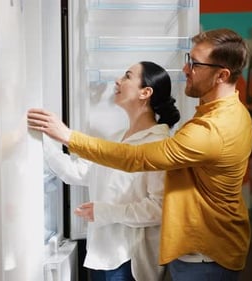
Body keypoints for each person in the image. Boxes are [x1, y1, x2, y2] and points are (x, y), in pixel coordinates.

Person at [28, 28, 252, 281]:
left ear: (221, 75)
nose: (186, 69)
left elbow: (136, 160)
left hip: (205, 254)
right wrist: (40, 139)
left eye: (195, 64)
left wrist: (68, 137)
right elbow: (87, 170)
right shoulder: (223, 113)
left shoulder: (212, 129)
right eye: (188, 60)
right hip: (196, 251)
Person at [44, 61, 180, 281]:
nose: (118, 80)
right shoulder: (118, 138)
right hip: (99, 254)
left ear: (145, 92)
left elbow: (159, 209)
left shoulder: (159, 144)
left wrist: (104, 211)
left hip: (129, 261)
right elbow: (78, 172)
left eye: (127, 76)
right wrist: (42, 138)